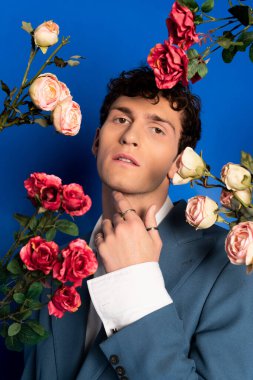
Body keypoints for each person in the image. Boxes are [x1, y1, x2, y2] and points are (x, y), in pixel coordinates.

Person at [21, 67, 253, 380]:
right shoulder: (48, 267)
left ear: (177, 164)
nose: (130, 136)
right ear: (96, 140)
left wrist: (135, 283)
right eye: (120, 119)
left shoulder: (228, 263)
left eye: (157, 129)